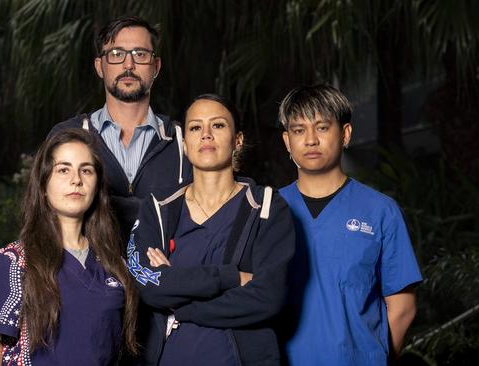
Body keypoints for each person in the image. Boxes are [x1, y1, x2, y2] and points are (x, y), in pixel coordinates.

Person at [127, 94, 296, 366]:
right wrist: (230, 277)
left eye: (218, 125)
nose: (205, 134)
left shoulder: (266, 207)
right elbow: (147, 285)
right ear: (184, 144)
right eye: (195, 127)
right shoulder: (159, 208)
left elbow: (268, 297)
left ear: (237, 140)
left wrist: (180, 302)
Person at [277, 84, 422, 365]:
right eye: (298, 130)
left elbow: (403, 307)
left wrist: (373, 358)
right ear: (287, 141)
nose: (310, 140)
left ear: (345, 134)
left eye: (322, 127)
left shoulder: (381, 212)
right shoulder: (268, 209)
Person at [0, 128, 137, 365]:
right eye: (63, 169)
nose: (76, 180)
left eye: (86, 170)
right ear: (44, 185)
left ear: (97, 186)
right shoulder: (15, 260)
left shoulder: (114, 263)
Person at [49, 16, 191, 237]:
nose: (128, 65)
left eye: (140, 54)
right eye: (116, 54)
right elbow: (42, 214)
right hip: (86, 270)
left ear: (156, 66)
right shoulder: (67, 136)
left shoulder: (185, 141)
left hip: (166, 271)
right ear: (100, 66)